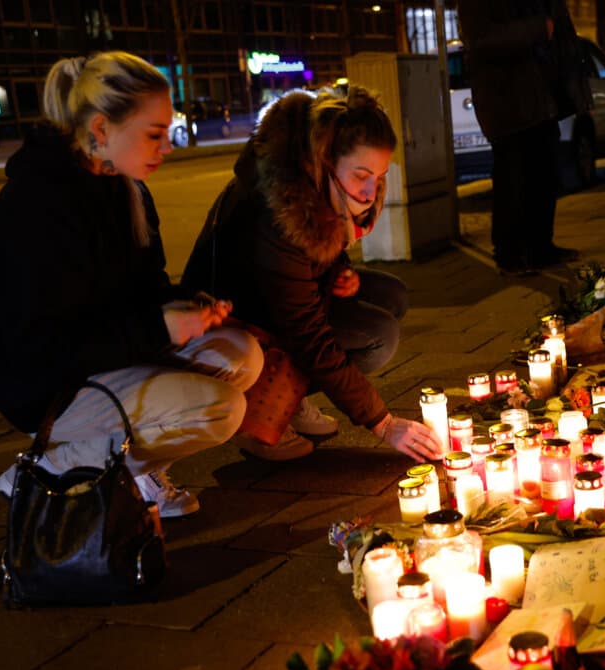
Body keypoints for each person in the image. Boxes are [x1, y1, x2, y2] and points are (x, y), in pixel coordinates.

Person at [0, 51, 264, 518]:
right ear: (101, 130)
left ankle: (137, 471)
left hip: (105, 357)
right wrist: (159, 330)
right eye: (153, 134)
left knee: (241, 354)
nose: (166, 148)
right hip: (49, 389)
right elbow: (45, 349)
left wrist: (184, 305)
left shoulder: (123, 187)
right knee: (219, 409)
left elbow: (140, 286)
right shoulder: (31, 214)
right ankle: (51, 468)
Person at [180, 87, 442, 463]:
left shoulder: (318, 180)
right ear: (325, 159)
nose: (370, 192)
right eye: (361, 175)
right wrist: (382, 422)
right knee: (379, 335)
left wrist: (342, 270)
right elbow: (306, 330)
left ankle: (293, 395)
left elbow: (318, 252)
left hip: (274, 300)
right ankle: (258, 412)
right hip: (236, 318)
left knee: (391, 294)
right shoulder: (281, 209)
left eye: (380, 176)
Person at [458, 0, 590, 276]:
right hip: (507, 103)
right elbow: (480, 39)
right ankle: (510, 253)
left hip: (539, 98)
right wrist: (537, 28)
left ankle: (541, 247)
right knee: (513, 178)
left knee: (544, 175)